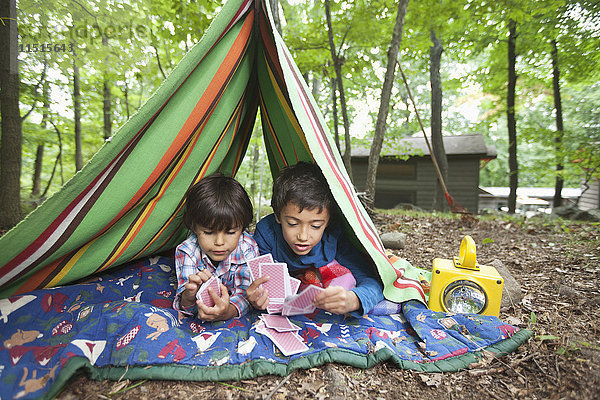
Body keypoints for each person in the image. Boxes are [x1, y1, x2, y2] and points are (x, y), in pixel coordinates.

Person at [247, 161, 384, 317]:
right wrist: (256, 298)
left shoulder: (334, 236)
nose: (303, 236)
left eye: (316, 226)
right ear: (277, 216)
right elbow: (257, 284)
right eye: (292, 223)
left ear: (328, 221)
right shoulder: (266, 234)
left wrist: (354, 299)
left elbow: (372, 282)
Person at [173, 172, 259, 321]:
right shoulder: (187, 251)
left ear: (243, 228)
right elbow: (186, 307)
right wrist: (189, 296)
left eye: (231, 232)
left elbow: (245, 295)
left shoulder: (247, 246)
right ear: (194, 227)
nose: (219, 242)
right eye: (208, 232)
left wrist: (227, 312)